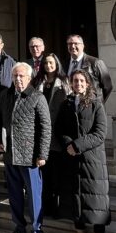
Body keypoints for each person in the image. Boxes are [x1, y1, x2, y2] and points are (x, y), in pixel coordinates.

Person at [0, 62, 51, 233]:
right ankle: (19, 229)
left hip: (30, 157)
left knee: (34, 196)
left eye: (21, 76)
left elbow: (45, 128)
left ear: (29, 78)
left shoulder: (37, 97)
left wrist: (42, 154)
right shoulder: (5, 96)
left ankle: (37, 232)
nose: (18, 79)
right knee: (14, 195)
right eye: (15, 76)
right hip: (11, 154)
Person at [55, 69, 110, 233]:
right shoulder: (66, 103)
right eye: (75, 81)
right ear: (71, 83)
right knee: (75, 197)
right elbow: (59, 129)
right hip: (71, 159)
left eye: (81, 81)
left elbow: (100, 133)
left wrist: (77, 145)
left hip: (92, 160)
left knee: (96, 200)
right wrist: (68, 145)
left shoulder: (97, 104)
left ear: (87, 83)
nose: (78, 84)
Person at [33, 52, 70, 218]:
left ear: (56, 64)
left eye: (51, 62)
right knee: (45, 174)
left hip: (57, 133)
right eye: (46, 63)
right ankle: (45, 206)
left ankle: (57, 208)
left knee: (57, 174)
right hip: (41, 133)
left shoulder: (64, 82)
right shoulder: (37, 82)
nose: (48, 65)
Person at [65, 35, 113, 101]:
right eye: (70, 44)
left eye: (76, 43)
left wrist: (97, 104)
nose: (72, 46)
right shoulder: (65, 63)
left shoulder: (96, 63)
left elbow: (108, 86)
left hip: (91, 106)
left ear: (82, 46)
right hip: (71, 105)